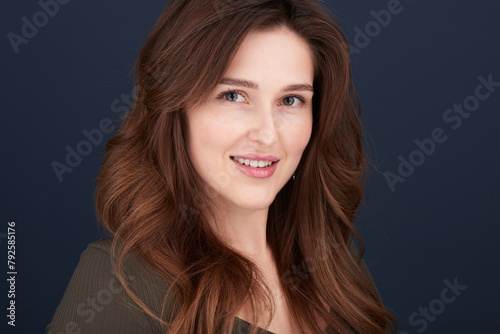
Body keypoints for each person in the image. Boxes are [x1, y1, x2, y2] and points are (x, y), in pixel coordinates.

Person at [47, 0, 396, 333]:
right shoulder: (123, 282)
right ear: (176, 109)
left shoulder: (333, 260)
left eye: (291, 100)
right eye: (233, 95)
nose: (267, 134)